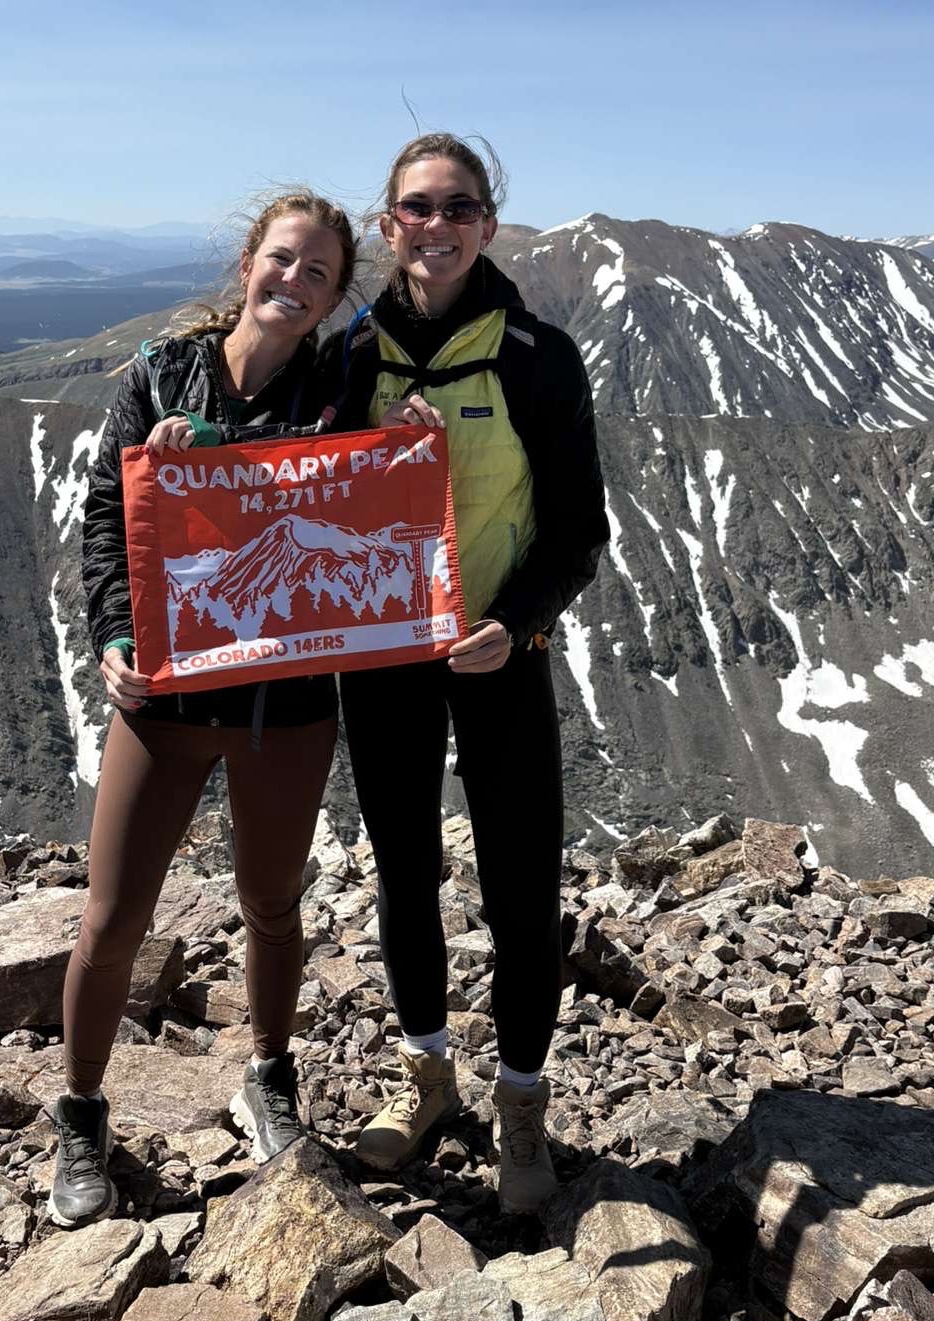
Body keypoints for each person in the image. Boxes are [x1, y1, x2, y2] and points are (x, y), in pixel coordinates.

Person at [50, 191, 357, 1229]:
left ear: (332, 297)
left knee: (273, 903)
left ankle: (270, 1077)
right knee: (112, 918)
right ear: (246, 263)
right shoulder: (158, 375)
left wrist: (404, 442)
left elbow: (371, 505)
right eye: (282, 261)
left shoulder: (342, 387)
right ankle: (82, 1111)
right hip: (168, 695)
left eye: (317, 274)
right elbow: (104, 515)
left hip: (287, 703)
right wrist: (113, 637)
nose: (293, 282)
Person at [318, 135, 609, 1213]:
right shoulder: (352, 357)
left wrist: (518, 623)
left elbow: (580, 528)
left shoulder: (535, 354)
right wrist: (186, 436)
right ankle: (428, 1079)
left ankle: (521, 1108)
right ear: (387, 227)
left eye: (457, 207)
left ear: (487, 224)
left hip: (498, 653)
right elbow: (290, 486)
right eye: (414, 209)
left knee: (523, 888)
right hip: (383, 656)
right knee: (404, 874)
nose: (434, 225)